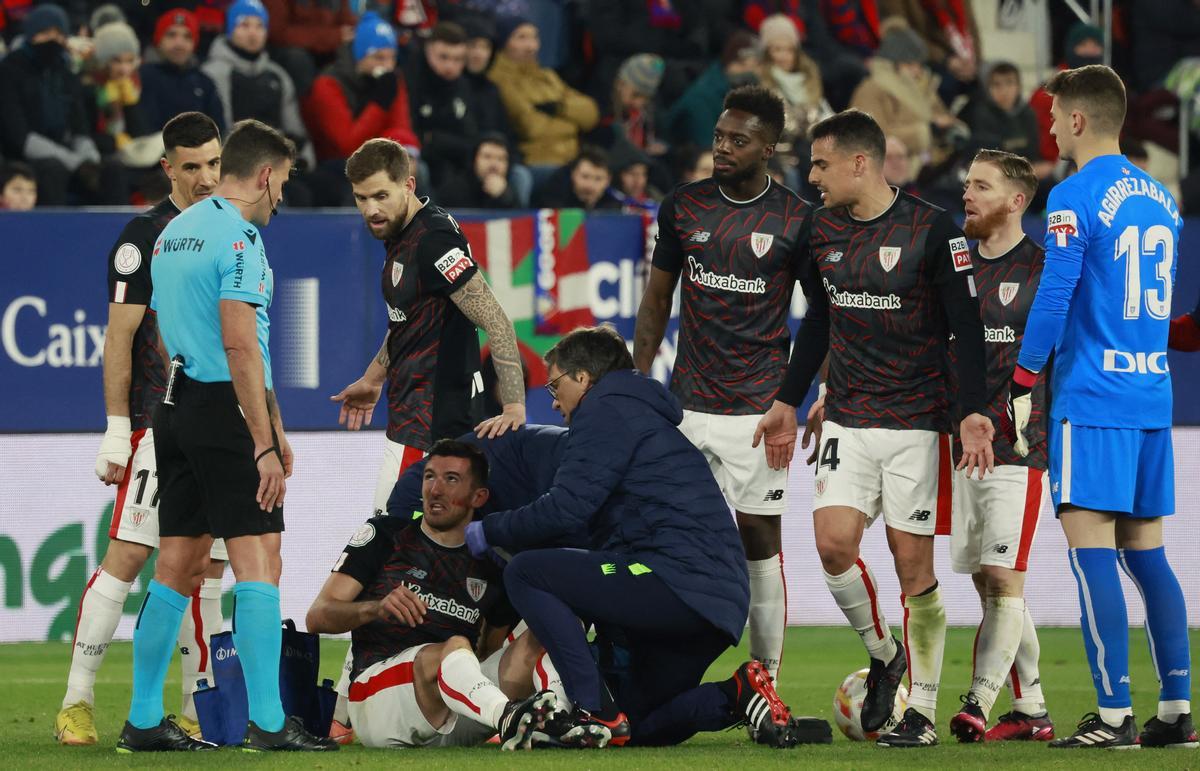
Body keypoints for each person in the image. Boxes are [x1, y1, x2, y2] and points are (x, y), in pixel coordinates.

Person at [758, 108, 993, 748]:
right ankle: (883, 653)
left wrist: (972, 410)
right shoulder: (821, 231)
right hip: (850, 415)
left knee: (912, 568)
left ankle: (919, 711)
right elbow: (820, 323)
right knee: (834, 547)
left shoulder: (933, 230)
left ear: (861, 162)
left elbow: (967, 329)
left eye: (821, 164)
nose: (811, 177)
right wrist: (791, 396)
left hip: (917, 419)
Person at [466, 326, 801, 749]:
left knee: (528, 573)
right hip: (715, 602)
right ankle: (738, 695)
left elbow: (568, 507)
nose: (552, 400)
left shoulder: (605, 410)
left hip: (676, 579)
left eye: (556, 384)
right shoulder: (636, 412)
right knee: (639, 724)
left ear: (583, 378)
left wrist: (488, 528)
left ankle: (594, 712)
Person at [116, 119, 334, 752]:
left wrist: (272, 426)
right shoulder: (241, 239)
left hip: (174, 407)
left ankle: (142, 720)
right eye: (284, 183)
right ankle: (268, 724)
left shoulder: (174, 232)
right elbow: (242, 344)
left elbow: (160, 335)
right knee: (259, 560)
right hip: (222, 410)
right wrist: (264, 440)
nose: (282, 197)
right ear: (265, 176)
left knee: (175, 567)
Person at [1008, 64, 1195, 750]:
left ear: (1080, 120)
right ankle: (1176, 709)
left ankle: (1113, 713)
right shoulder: (1162, 197)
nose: (1051, 125)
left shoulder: (1073, 194)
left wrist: (1023, 379)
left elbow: (1055, 296)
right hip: (1151, 395)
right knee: (1148, 556)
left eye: (1056, 116)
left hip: (1092, 400)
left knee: (1092, 555)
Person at [54, 113, 226, 747]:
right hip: (160, 421)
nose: (207, 177)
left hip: (220, 424)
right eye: (192, 167)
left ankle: (191, 709)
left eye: (214, 162)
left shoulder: (235, 232)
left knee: (205, 568)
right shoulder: (143, 237)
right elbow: (119, 338)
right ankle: (76, 702)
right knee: (129, 557)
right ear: (168, 169)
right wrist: (116, 428)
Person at [633, 86, 812, 683]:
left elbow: (826, 315)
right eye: (718, 137)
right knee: (670, 540)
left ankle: (767, 681)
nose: (723, 148)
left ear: (769, 147)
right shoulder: (682, 206)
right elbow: (657, 300)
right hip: (686, 406)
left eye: (738, 140)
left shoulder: (796, 219)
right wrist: (638, 385)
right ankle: (663, 671)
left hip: (757, 412)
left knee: (760, 543)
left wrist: (810, 393)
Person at [306, 440, 558, 750]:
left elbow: (488, 653)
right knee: (452, 647)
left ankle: (560, 724)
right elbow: (317, 617)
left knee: (542, 634)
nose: (434, 490)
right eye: (429, 476)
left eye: (451, 479)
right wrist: (374, 608)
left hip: (451, 714)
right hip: (379, 705)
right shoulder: (386, 536)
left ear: (478, 496)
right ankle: (507, 716)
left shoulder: (491, 568)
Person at [332, 138, 526, 515]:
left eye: (380, 195)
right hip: (417, 415)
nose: (370, 209)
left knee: (385, 543)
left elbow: (496, 320)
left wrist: (515, 405)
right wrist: (374, 377)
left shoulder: (432, 240)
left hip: (426, 428)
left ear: (408, 185)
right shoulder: (406, 228)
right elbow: (412, 317)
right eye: (360, 198)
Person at [946, 150, 1055, 744]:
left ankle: (980, 702)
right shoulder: (956, 264)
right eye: (966, 185)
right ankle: (1033, 707)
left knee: (1000, 573)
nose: (968, 195)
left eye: (982, 187)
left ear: (1017, 202)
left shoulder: (1043, 270)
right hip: (963, 445)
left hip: (1021, 446)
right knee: (987, 582)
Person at [0, 3, 128, 206]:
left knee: (112, 168)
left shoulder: (65, 72)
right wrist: (75, 162)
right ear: (31, 34)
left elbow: (80, 127)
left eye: (59, 33)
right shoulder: (10, 70)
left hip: (67, 151)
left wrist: (89, 160)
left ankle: (122, 235)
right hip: (25, 156)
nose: (53, 40)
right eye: (45, 32)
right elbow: (19, 137)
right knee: (53, 169)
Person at [201, 0, 316, 178]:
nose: (253, 33)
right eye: (244, 25)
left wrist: (302, 162)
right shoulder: (214, 73)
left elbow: (295, 131)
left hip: (274, 166)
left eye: (259, 26)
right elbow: (220, 130)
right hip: (231, 168)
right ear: (230, 29)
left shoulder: (278, 75)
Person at [302, 12, 420, 166]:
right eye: (379, 57)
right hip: (335, 164)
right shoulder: (328, 85)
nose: (388, 65)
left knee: (416, 170)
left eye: (392, 57)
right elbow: (347, 147)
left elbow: (402, 129)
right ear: (360, 55)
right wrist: (378, 105)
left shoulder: (391, 78)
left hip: (379, 157)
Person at [487, 16, 599, 170]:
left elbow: (591, 113)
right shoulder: (499, 79)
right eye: (521, 38)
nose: (531, 46)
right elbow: (532, 128)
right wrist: (574, 124)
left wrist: (560, 109)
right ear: (504, 43)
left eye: (534, 37)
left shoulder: (547, 76)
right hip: (538, 161)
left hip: (573, 159)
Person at [664, 30, 761, 148]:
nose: (759, 72)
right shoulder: (703, 97)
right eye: (756, 65)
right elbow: (711, 146)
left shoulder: (736, 91)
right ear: (737, 63)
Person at [138, 9, 226, 133]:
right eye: (171, 35)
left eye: (187, 37)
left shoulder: (204, 83)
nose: (179, 43)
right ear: (159, 39)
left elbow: (218, 131)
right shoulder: (143, 77)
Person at [958, 63, 1041, 165]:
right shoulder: (981, 115)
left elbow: (1033, 153)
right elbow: (991, 159)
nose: (1004, 91)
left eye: (1009, 83)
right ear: (987, 89)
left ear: (1019, 86)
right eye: (996, 85)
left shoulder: (1028, 114)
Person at [437, 133, 521, 210]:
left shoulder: (511, 192)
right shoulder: (453, 191)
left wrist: (504, 197)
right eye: (487, 157)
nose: (494, 164)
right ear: (474, 160)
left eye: (501, 159)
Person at [533, 145, 621, 211]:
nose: (590, 185)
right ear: (573, 174)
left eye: (598, 179)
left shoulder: (616, 199)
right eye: (585, 177)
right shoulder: (555, 191)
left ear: (608, 180)